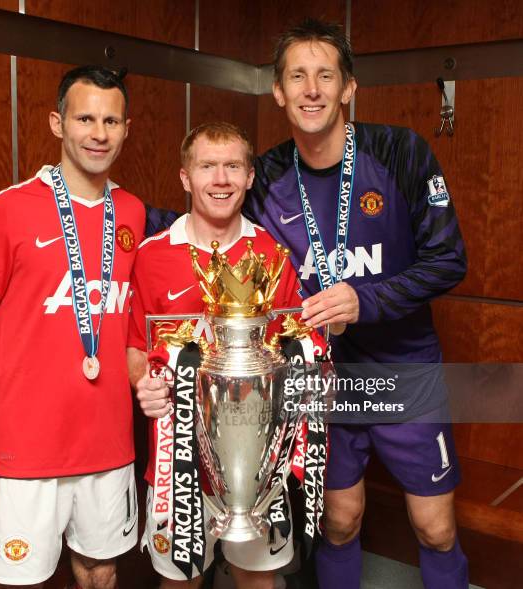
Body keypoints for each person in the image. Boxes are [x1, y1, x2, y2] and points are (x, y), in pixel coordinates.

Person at [243, 18, 469, 589]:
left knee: (436, 529)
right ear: (279, 91)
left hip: (404, 368)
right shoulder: (264, 175)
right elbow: (206, 223)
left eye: (325, 76)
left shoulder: (400, 151)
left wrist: (363, 302)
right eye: (298, 76)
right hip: (323, 379)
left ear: (349, 87)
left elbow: (448, 260)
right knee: (339, 522)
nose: (311, 89)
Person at [0, 65, 145, 589]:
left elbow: (131, 328)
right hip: (24, 452)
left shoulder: (132, 213)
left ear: (126, 128)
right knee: (19, 581)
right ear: (57, 123)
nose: (99, 133)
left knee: (101, 570)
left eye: (111, 120)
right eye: (84, 118)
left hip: (110, 447)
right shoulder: (6, 210)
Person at [127, 122, 302, 589]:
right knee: (181, 581)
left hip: (256, 460)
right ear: (186, 177)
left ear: (249, 177)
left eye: (232, 167)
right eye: (207, 166)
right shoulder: (151, 255)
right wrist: (142, 384)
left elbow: (292, 348)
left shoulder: (273, 254)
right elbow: (133, 345)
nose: (220, 179)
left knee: (257, 578)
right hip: (177, 459)